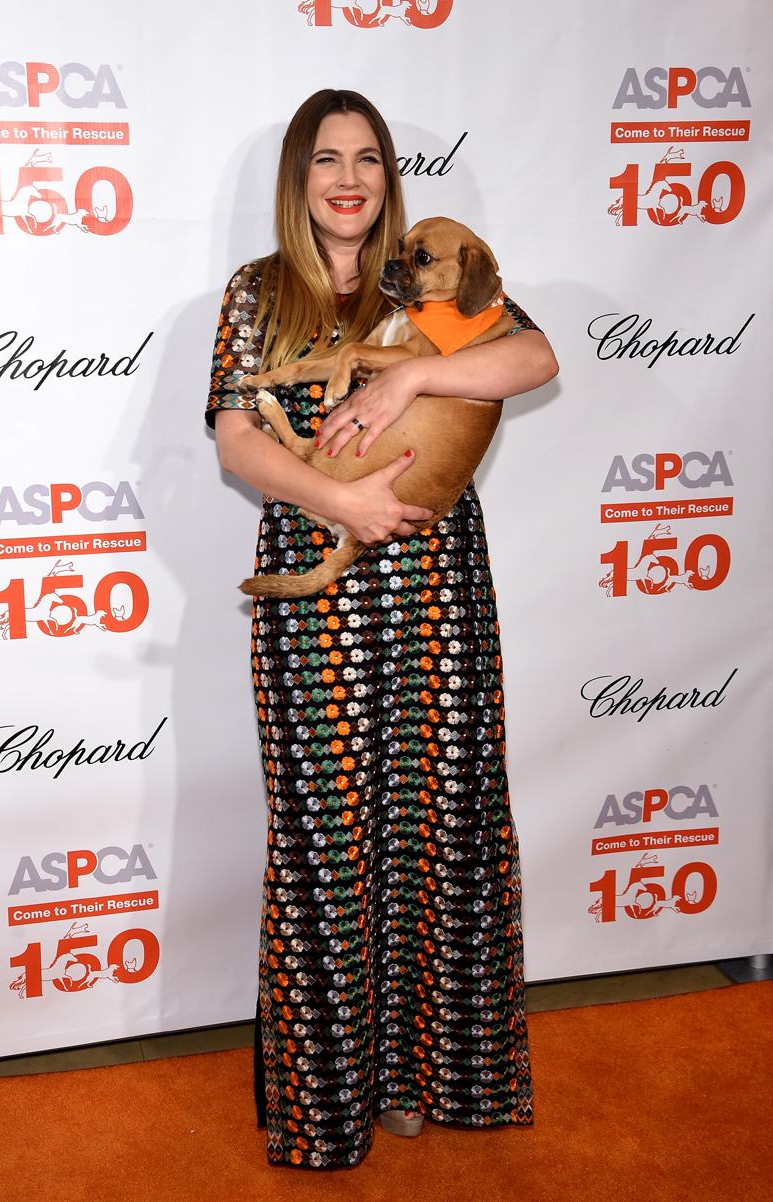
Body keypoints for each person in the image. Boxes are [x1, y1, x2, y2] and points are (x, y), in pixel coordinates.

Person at [206, 88, 558, 1170]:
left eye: (365, 158)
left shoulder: (437, 274)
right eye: (325, 159)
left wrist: (412, 368)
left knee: (438, 826)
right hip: (320, 602)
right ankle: (329, 1102)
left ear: (388, 175)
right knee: (329, 842)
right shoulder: (259, 292)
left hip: (437, 593)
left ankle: (425, 1076)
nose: (346, 178)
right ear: (297, 180)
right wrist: (342, 505)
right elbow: (233, 437)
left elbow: (534, 359)